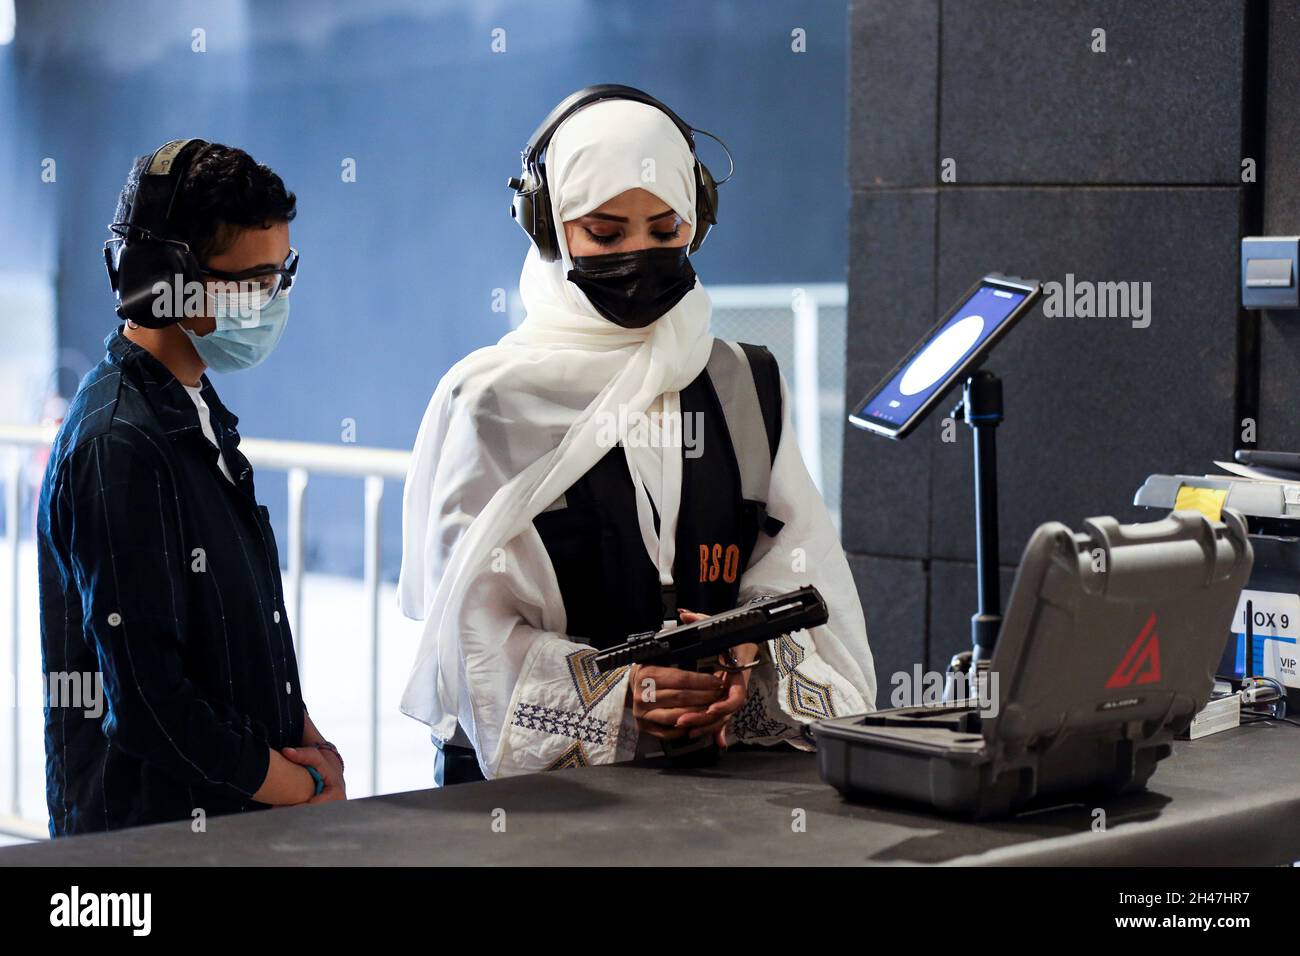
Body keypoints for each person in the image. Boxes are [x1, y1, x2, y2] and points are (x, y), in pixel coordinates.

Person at [399, 86, 877, 785]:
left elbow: (800, 572)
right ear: (547, 228)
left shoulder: (744, 382)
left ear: (699, 221)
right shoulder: (492, 400)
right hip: (537, 803)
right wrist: (620, 697)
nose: (638, 254)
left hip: (712, 782)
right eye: (604, 232)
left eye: (665, 230)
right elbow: (471, 637)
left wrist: (749, 656)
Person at [36, 140, 345, 835]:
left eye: (282, 276)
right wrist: (304, 786)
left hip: (236, 820)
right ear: (164, 280)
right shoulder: (118, 445)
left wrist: (311, 744)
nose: (273, 301)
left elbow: (244, 637)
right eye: (255, 281)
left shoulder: (195, 411)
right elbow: (150, 705)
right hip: (153, 844)